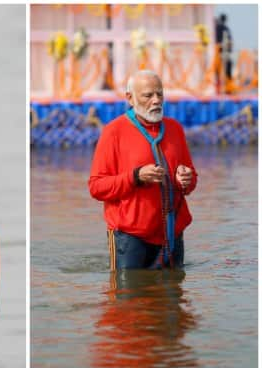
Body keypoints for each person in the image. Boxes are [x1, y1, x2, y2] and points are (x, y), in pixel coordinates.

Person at [88, 70, 197, 270]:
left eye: (160, 94)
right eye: (148, 95)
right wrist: (135, 177)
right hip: (129, 236)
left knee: (173, 298)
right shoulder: (113, 132)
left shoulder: (175, 129)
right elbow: (96, 187)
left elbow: (190, 181)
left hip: (171, 233)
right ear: (130, 98)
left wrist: (185, 179)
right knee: (127, 300)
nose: (156, 100)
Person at [215, 13, 234, 92]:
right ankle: (228, 89)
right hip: (223, 53)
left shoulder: (216, 28)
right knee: (227, 71)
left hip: (218, 53)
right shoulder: (225, 28)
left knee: (218, 72)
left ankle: (219, 88)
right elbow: (229, 41)